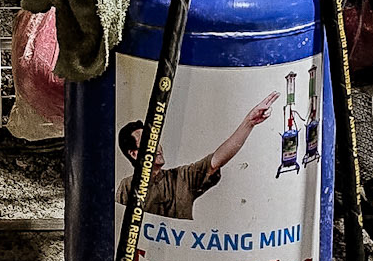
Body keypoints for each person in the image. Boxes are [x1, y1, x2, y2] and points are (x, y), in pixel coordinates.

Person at [116, 93, 278, 219]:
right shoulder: (127, 187)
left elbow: (217, 159)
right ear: (134, 154)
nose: (157, 146)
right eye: (147, 142)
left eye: (155, 140)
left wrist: (248, 122)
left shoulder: (182, 178)